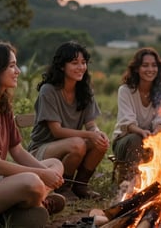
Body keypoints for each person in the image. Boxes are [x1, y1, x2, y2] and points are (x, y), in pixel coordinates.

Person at [0, 41, 65, 227]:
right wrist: (42, 177)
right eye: (12, 66)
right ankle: (34, 202)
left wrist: (46, 173)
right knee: (32, 181)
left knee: (55, 164)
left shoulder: (1, 104)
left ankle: (25, 204)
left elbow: (17, 151)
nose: (18, 71)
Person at [28, 41, 109, 201]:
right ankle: (63, 188)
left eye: (83, 63)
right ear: (61, 66)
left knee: (101, 142)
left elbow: (91, 125)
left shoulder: (84, 90)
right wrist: (89, 135)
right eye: (74, 63)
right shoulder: (49, 90)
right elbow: (56, 131)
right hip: (42, 150)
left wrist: (97, 134)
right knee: (78, 144)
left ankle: (80, 186)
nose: (81, 67)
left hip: (72, 144)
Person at [112, 47, 161, 186]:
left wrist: (155, 133)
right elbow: (127, 121)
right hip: (126, 139)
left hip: (154, 136)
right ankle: (131, 182)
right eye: (145, 65)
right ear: (136, 69)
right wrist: (142, 132)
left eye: (154, 65)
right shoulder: (126, 90)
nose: (150, 69)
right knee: (136, 139)